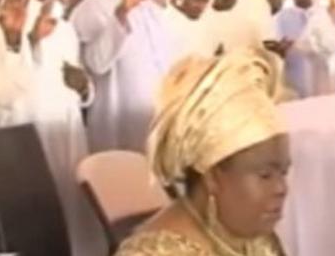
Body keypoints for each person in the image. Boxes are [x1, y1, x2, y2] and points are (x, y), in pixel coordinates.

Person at [115, 49, 290, 256]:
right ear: (213, 176)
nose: (282, 188)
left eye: (283, 173)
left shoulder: (256, 239)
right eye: (265, 175)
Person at [18, 0, 105, 255]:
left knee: (72, 203)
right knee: (37, 213)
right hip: (31, 133)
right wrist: (29, 40)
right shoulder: (9, 24)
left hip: (68, 129)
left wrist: (84, 89)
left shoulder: (66, 26)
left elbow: (78, 79)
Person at [71, 0, 171, 153]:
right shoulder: (95, 6)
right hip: (116, 124)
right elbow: (96, 64)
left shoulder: (155, 12)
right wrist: (122, 12)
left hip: (154, 122)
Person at [274, 0, 335, 97]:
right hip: (294, 85)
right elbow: (275, 53)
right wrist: (281, 50)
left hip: (324, 84)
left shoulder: (325, 14)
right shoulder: (280, 19)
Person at [164, 0, 217, 64]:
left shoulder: (205, 21)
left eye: (205, 1)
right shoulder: (160, 22)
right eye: (197, 0)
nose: (201, 6)